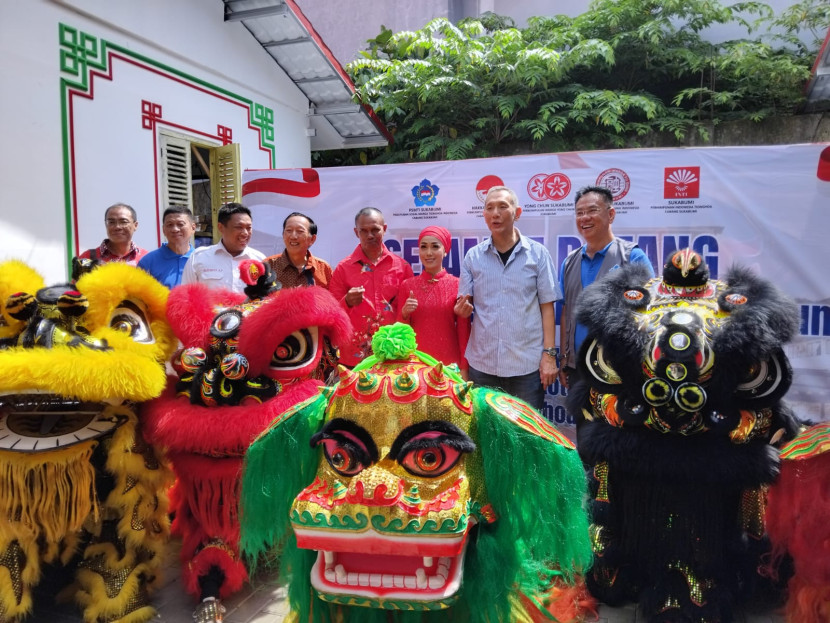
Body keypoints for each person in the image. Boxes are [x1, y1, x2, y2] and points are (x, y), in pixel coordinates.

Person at [455, 186, 560, 411]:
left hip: (526, 367)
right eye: (489, 208)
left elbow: (547, 308)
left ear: (517, 212)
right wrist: (462, 309)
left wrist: (549, 356)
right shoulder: (473, 256)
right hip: (483, 366)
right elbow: (464, 303)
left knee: (526, 437)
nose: (496, 213)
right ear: (483, 215)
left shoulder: (538, 254)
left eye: (503, 206)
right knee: (486, 435)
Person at [558, 185, 654, 388]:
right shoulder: (569, 262)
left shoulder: (632, 257)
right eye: (579, 213)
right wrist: (565, 358)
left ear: (611, 215)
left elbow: (651, 312)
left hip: (618, 369)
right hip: (579, 370)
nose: (584, 218)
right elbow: (566, 311)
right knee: (582, 420)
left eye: (592, 210)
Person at [329, 207, 414, 367]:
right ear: (356, 232)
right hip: (354, 358)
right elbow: (332, 315)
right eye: (364, 231)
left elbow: (409, 313)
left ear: (385, 229)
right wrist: (346, 301)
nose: (370, 235)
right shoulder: (343, 268)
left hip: (394, 353)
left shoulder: (402, 267)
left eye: (375, 230)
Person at [397, 225, 470, 378]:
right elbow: (401, 333)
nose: (428, 253)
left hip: (449, 366)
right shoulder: (407, 286)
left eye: (435, 246)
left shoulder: (458, 285)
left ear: (445, 251)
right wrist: (404, 314)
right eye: (423, 247)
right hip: (415, 366)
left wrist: (464, 369)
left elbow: (464, 332)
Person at [181, 203, 264, 294]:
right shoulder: (198, 257)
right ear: (221, 227)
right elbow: (186, 296)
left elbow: (266, 298)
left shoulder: (260, 260)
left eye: (249, 228)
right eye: (239, 227)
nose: (245, 233)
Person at [264, 212, 332, 289]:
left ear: (312, 239)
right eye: (289, 230)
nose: (293, 236)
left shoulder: (324, 269)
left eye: (300, 231)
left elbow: (333, 299)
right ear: (283, 235)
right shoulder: (268, 266)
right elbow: (255, 298)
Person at [137, 206, 197, 288]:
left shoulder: (200, 259)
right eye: (170, 225)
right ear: (163, 230)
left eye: (180, 224)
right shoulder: (148, 262)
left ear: (193, 228)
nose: (175, 229)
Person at [79, 203, 148, 265]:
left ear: (135, 225)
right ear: (106, 225)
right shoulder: (88, 257)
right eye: (111, 222)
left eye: (123, 222)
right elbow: (78, 279)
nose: (117, 227)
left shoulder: (146, 258)